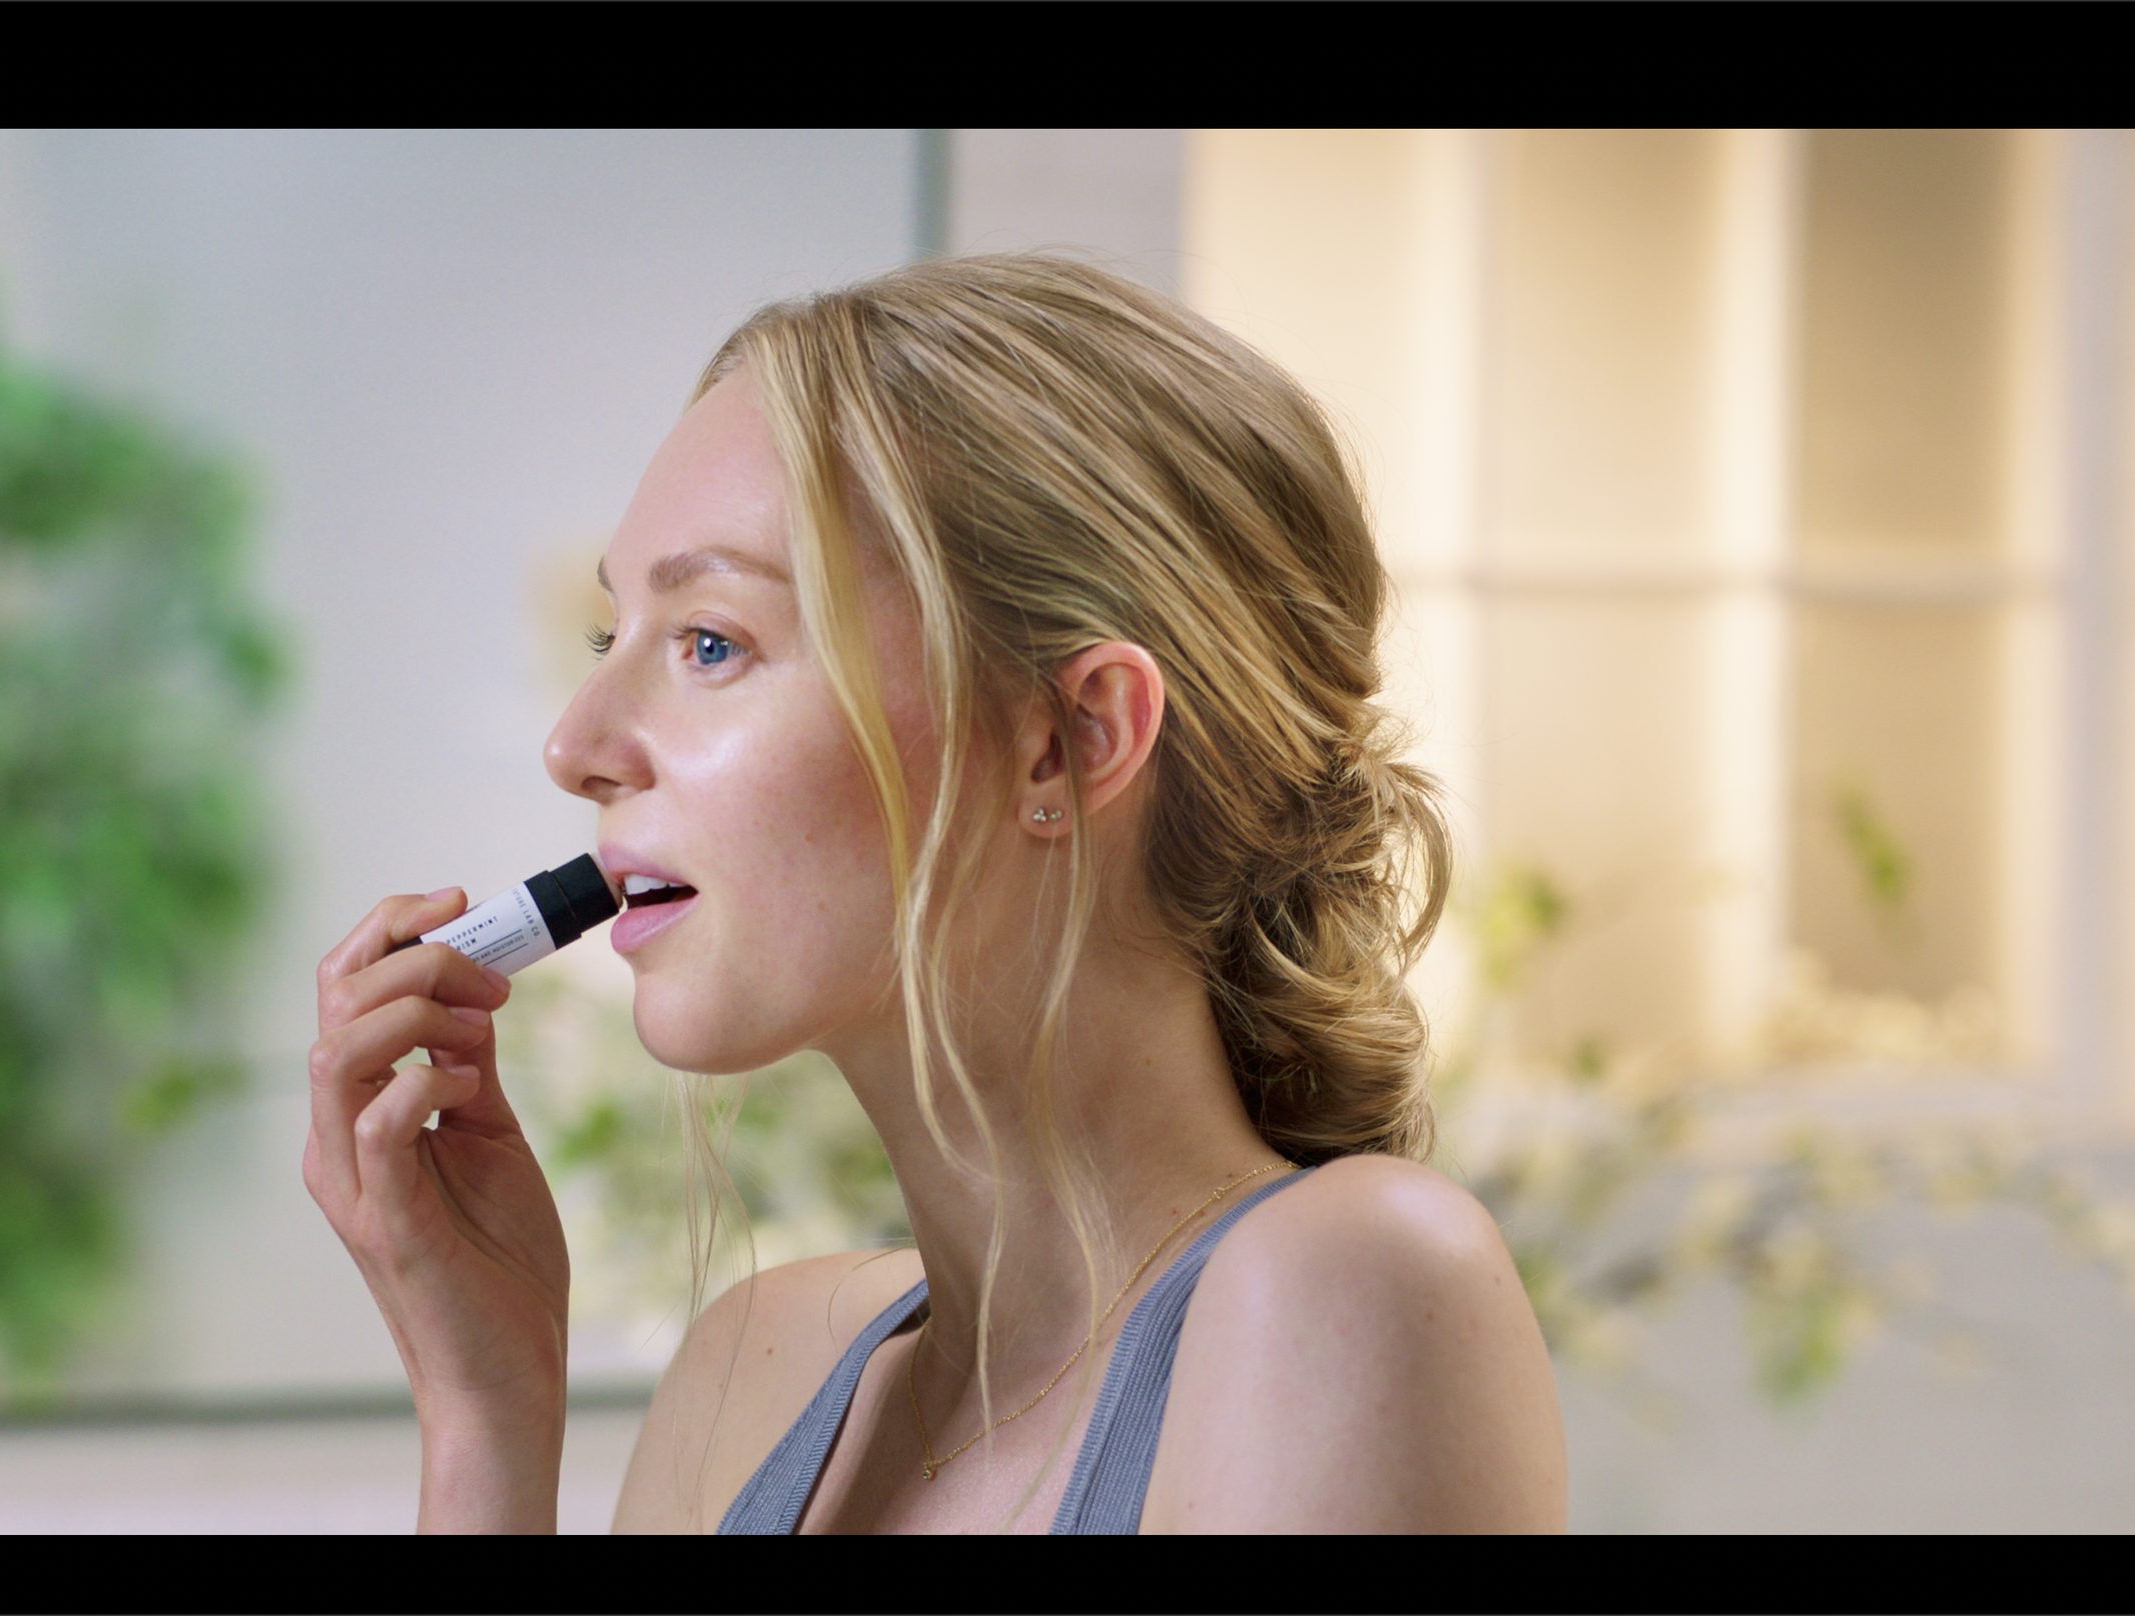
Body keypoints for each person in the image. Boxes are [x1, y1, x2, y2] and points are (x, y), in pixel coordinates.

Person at [305, 255, 1567, 1533]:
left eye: (710, 642)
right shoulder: (752, 1374)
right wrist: (485, 1411)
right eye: (607, 637)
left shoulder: (1346, 1282)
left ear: (1065, 740)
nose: (574, 745)